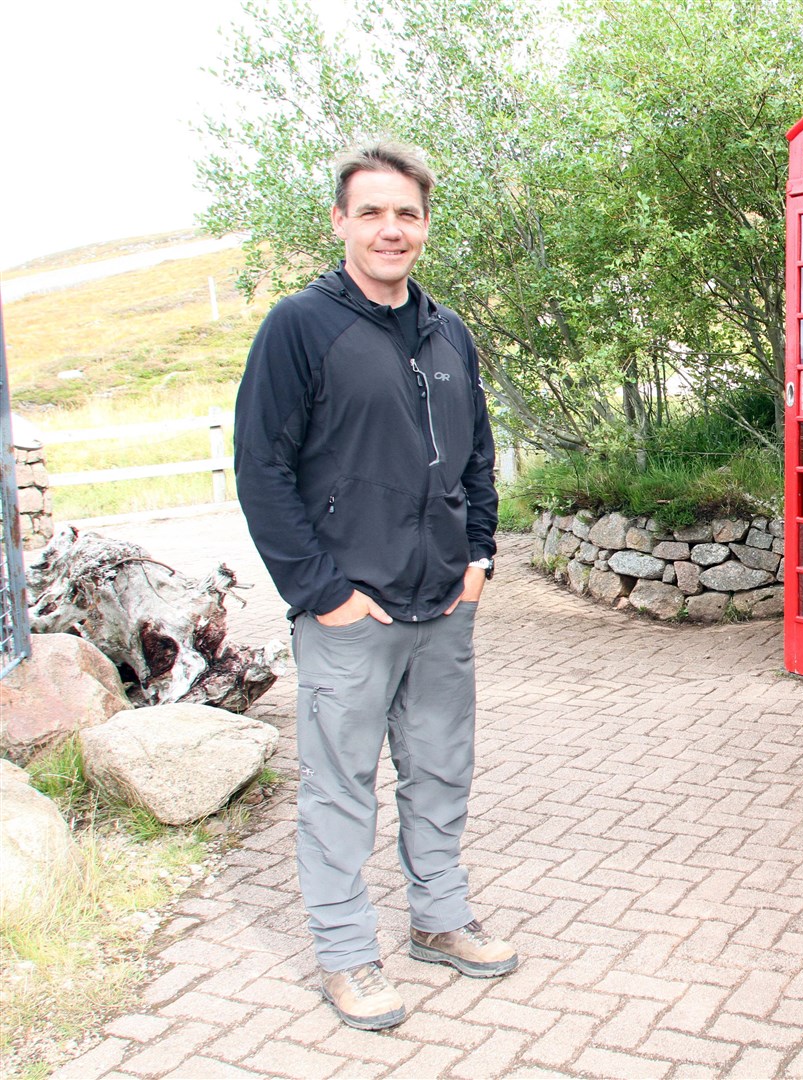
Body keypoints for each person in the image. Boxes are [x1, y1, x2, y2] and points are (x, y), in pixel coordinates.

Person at [234, 141, 515, 1031]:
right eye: (373, 212)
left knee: (440, 774)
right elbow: (261, 469)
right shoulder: (299, 326)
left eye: (407, 214)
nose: (391, 229)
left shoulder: (448, 331)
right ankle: (348, 954)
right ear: (341, 222)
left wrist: (479, 560)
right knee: (339, 791)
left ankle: (437, 920)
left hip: (444, 605)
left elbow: (477, 456)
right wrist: (323, 592)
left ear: (425, 226)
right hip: (350, 612)